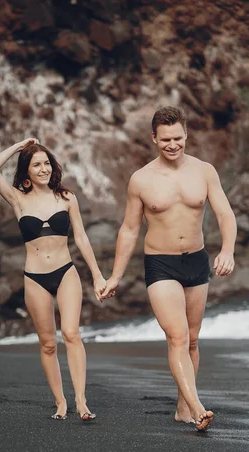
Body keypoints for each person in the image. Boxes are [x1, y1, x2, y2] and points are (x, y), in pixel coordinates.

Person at [101, 106, 237, 431]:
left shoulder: (204, 171)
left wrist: (228, 250)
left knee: (191, 339)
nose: (172, 145)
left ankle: (182, 407)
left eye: (177, 138)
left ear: (186, 134)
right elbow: (129, 229)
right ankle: (197, 406)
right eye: (165, 140)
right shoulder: (141, 180)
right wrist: (116, 275)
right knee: (176, 336)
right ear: (154, 138)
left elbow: (225, 214)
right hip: (160, 263)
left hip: (196, 260)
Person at [0, 138, 106, 421]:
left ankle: (81, 401)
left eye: (47, 163)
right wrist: (19, 147)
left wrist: (98, 275)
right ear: (26, 171)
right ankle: (60, 402)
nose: (43, 169)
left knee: (72, 334)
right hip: (35, 277)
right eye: (36, 164)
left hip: (66, 272)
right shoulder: (17, 199)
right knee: (48, 344)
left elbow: (81, 238)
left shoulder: (66, 198)